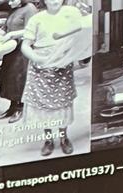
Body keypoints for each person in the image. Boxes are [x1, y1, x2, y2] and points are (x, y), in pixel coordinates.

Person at [21, 0, 83, 156]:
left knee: (62, 103)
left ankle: (64, 138)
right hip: (40, 66)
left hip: (63, 65)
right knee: (43, 105)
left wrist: (68, 56)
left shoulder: (70, 14)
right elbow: (25, 45)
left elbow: (80, 35)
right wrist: (38, 59)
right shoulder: (37, 18)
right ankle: (48, 140)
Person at [0, 0, 37, 122]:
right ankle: (12, 107)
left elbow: (31, 30)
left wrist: (12, 34)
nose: (9, 3)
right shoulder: (14, 8)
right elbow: (6, 26)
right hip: (11, 47)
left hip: (23, 49)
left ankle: (20, 107)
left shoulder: (30, 8)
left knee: (19, 78)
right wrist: (0, 32)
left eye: (12, 0)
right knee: (8, 77)